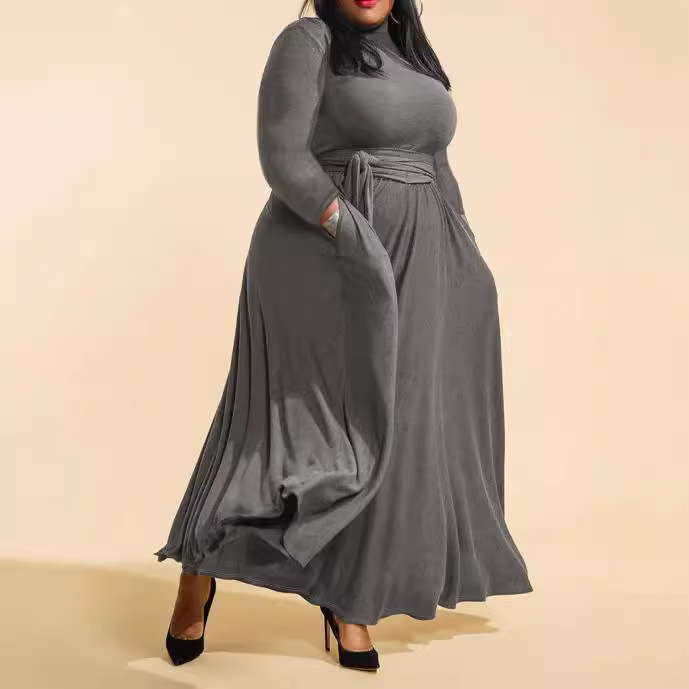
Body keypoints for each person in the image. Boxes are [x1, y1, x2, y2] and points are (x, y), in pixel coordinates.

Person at [154, 0, 533, 672]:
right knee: (289, 427)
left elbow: (436, 165)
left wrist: (465, 257)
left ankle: (348, 596)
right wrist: (346, 228)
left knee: (389, 426)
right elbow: (281, 155)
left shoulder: (412, 56)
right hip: (322, 256)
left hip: (418, 260)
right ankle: (199, 567)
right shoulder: (307, 41)